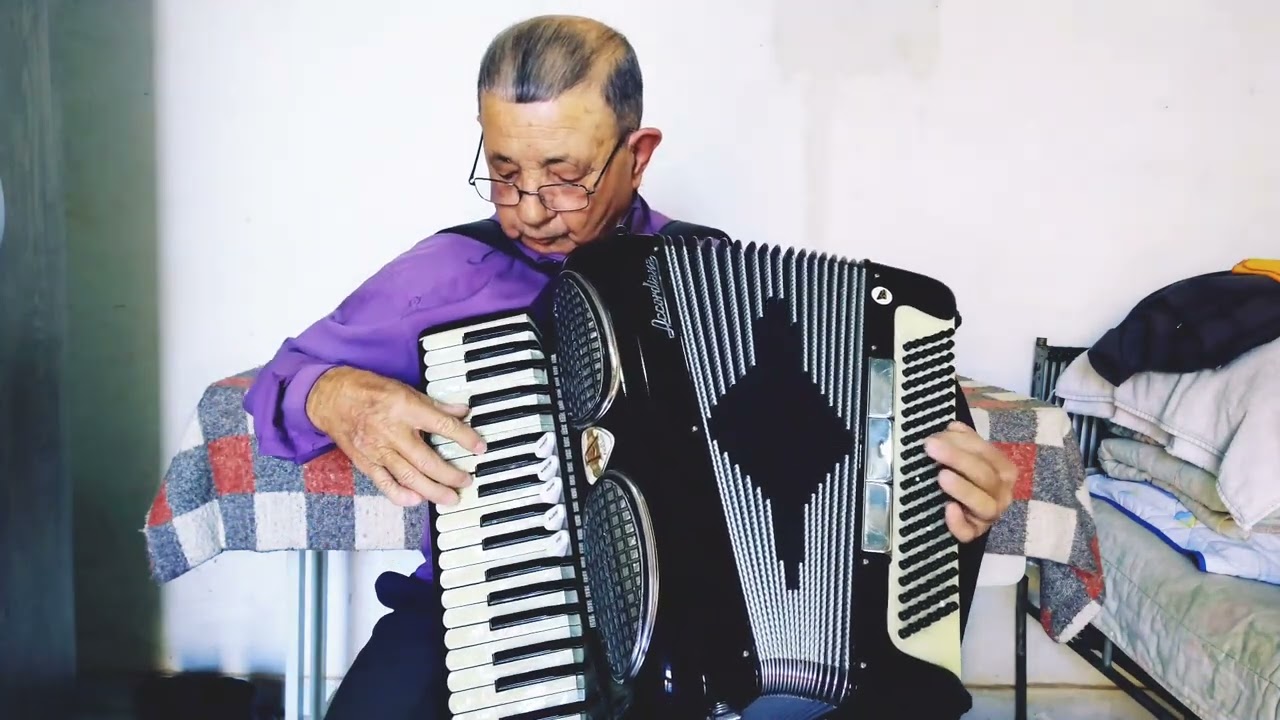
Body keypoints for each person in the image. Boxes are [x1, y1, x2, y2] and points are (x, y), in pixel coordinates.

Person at [244, 14, 1018, 719]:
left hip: (699, 641)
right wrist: (334, 395)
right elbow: (281, 383)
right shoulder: (446, 275)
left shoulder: (713, 279)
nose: (530, 208)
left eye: (564, 174)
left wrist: (951, 503)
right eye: (505, 171)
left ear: (637, 156)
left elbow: (853, 473)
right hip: (481, 614)